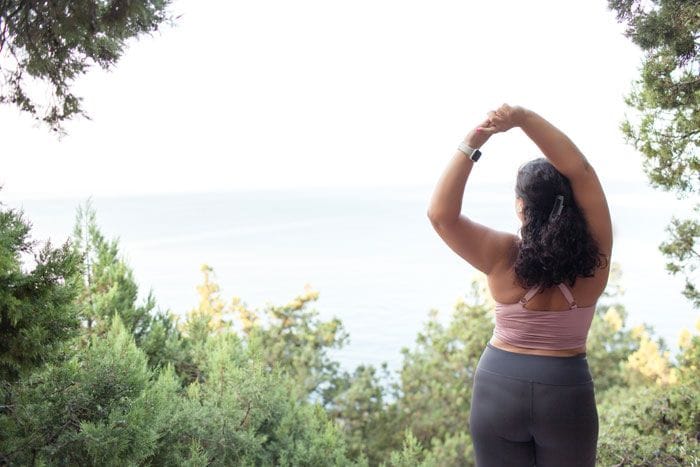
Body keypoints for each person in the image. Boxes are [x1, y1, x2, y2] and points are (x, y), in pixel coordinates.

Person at [426, 104, 612, 466]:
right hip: (565, 390)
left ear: (520, 206)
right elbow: (582, 171)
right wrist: (523, 118)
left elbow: (440, 215)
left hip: (498, 385)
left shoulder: (502, 255)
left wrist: (473, 142)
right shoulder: (594, 258)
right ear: (574, 205)